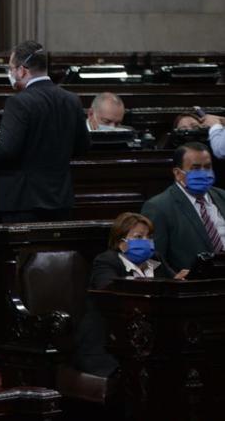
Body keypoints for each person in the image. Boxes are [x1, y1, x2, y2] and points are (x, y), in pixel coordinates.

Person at [0, 40, 90, 222]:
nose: (10, 73)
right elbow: (82, 146)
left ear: (22, 70)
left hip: (23, 201)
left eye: (11, 68)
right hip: (60, 199)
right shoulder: (72, 100)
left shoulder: (18, 102)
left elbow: (7, 151)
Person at [73, 212, 184, 378]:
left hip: (149, 344)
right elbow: (110, 293)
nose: (145, 242)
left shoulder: (156, 260)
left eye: (149, 237)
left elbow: (171, 286)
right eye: (139, 237)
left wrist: (179, 282)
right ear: (121, 242)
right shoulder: (106, 261)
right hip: (107, 346)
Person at [142, 142, 225, 271]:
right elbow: (154, 258)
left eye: (208, 167)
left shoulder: (222, 196)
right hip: (193, 285)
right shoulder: (158, 207)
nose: (204, 173)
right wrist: (175, 279)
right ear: (178, 173)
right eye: (196, 168)